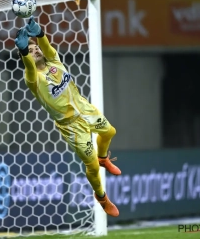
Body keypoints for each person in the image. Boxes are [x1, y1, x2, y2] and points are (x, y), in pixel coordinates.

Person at [15, 16, 121, 217]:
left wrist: (40, 34)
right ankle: (102, 198)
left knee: (110, 131)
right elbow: (29, 66)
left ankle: (103, 157)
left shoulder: (54, 60)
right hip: (71, 126)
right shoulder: (33, 79)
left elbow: (46, 47)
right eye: (30, 51)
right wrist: (23, 52)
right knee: (90, 167)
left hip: (84, 108)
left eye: (35, 47)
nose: (35, 50)